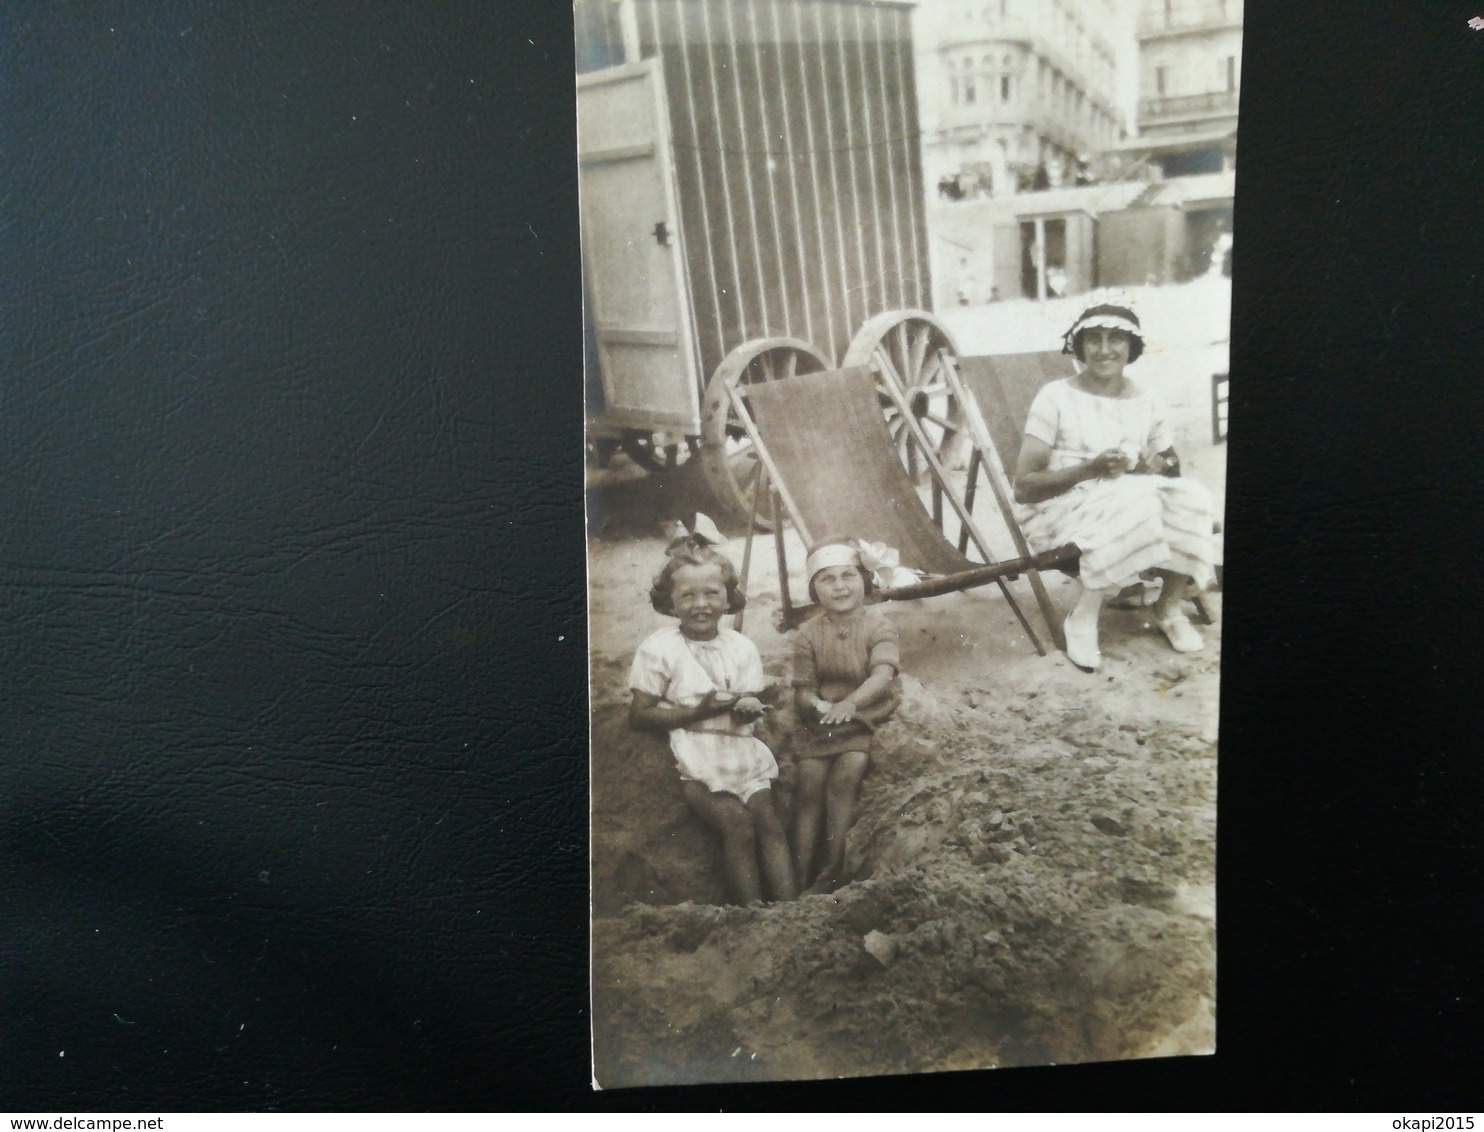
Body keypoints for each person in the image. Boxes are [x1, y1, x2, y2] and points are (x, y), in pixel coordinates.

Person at [1012, 303, 1217, 672]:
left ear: (1132, 347)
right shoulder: (1055, 397)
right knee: (1134, 498)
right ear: (1079, 346)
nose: (1104, 349)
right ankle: (1083, 617)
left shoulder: (1146, 400)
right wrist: (1090, 468)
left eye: (1116, 339)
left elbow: (1171, 466)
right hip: (1057, 509)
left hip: (1124, 502)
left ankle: (1167, 607)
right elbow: (1025, 488)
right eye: (1094, 339)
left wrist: (1157, 464)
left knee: (1194, 497)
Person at [628, 533, 797, 905]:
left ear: (728, 598)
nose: (700, 605)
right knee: (737, 825)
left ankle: (791, 911)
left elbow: (745, 701)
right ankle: (750, 912)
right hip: (697, 757)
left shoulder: (741, 647)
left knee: (769, 823)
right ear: (669, 602)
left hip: (742, 752)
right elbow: (639, 715)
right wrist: (696, 712)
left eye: (712, 594)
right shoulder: (660, 648)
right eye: (687, 595)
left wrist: (748, 706)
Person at [790, 541, 901, 893]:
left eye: (848, 576)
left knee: (846, 776)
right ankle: (797, 876)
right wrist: (814, 704)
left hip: (863, 714)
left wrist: (850, 704)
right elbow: (803, 687)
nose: (839, 586)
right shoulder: (807, 634)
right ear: (814, 590)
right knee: (808, 784)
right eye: (827, 579)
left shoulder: (878, 625)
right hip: (823, 722)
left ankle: (834, 869)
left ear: (864, 581)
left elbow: (882, 674)